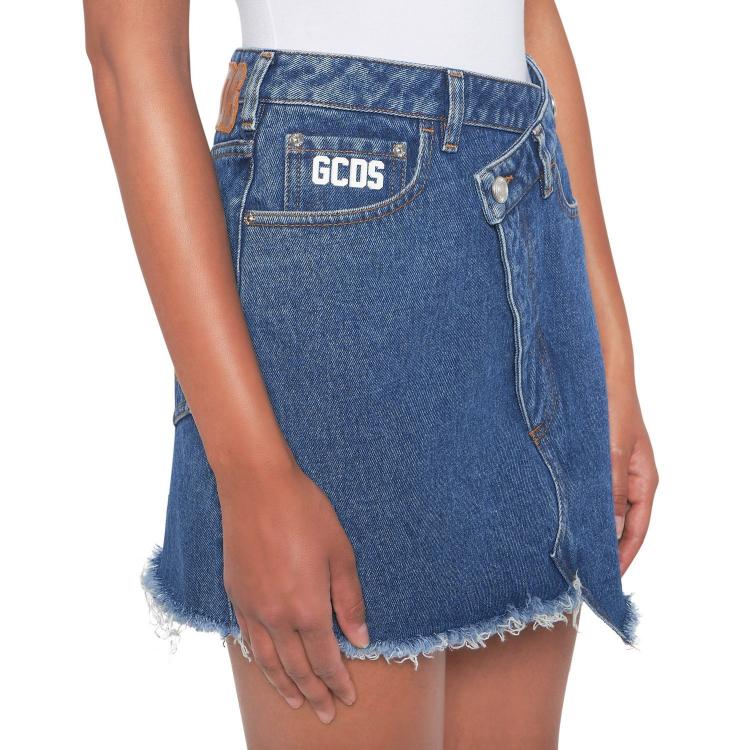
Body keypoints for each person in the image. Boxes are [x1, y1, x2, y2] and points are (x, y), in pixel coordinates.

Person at [83, 0, 658, 747]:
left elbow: (530, 15)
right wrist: (252, 472)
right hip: (340, 223)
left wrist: (610, 356)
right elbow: (129, 55)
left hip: (522, 194)